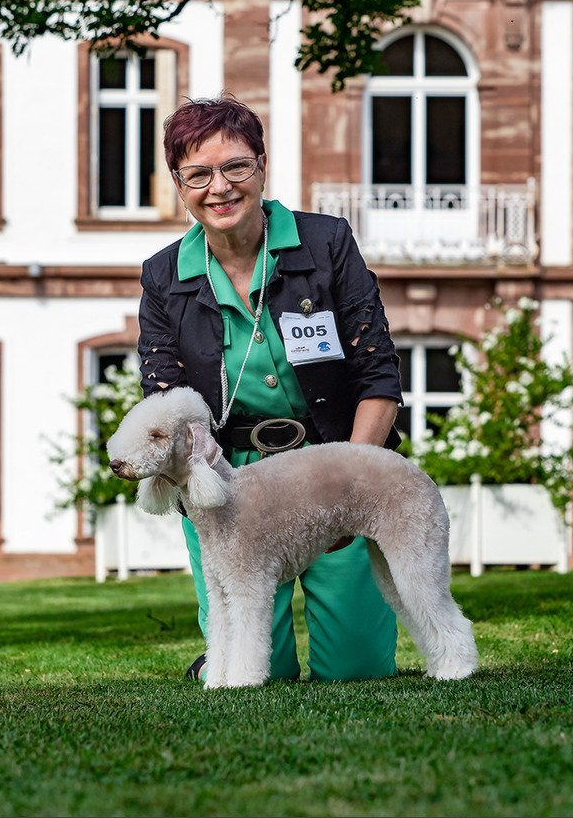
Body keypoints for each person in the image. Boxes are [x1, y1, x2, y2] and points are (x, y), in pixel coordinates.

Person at [137, 94, 403, 682]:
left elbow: (378, 373)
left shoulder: (327, 243)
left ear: (261, 164)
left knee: (357, 670)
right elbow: (164, 396)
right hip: (229, 484)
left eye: (236, 166)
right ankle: (220, 651)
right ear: (180, 186)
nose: (220, 187)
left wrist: (352, 481)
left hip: (332, 464)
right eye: (198, 174)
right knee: (261, 670)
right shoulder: (162, 274)